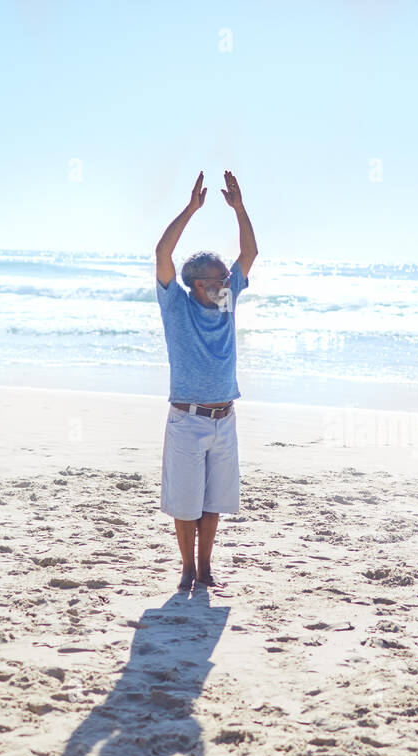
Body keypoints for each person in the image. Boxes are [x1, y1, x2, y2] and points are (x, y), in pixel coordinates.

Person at [154, 170, 257, 591]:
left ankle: (206, 567)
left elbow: (250, 254)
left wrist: (239, 208)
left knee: (213, 502)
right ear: (199, 285)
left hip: (224, 416)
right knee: (186, 503)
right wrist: (191, 210)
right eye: (220, 278)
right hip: (187, 418)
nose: (228, 281)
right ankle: (186, 569)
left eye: (227, 278)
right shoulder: (176, 306)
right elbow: (162, 253)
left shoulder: (227, 301)